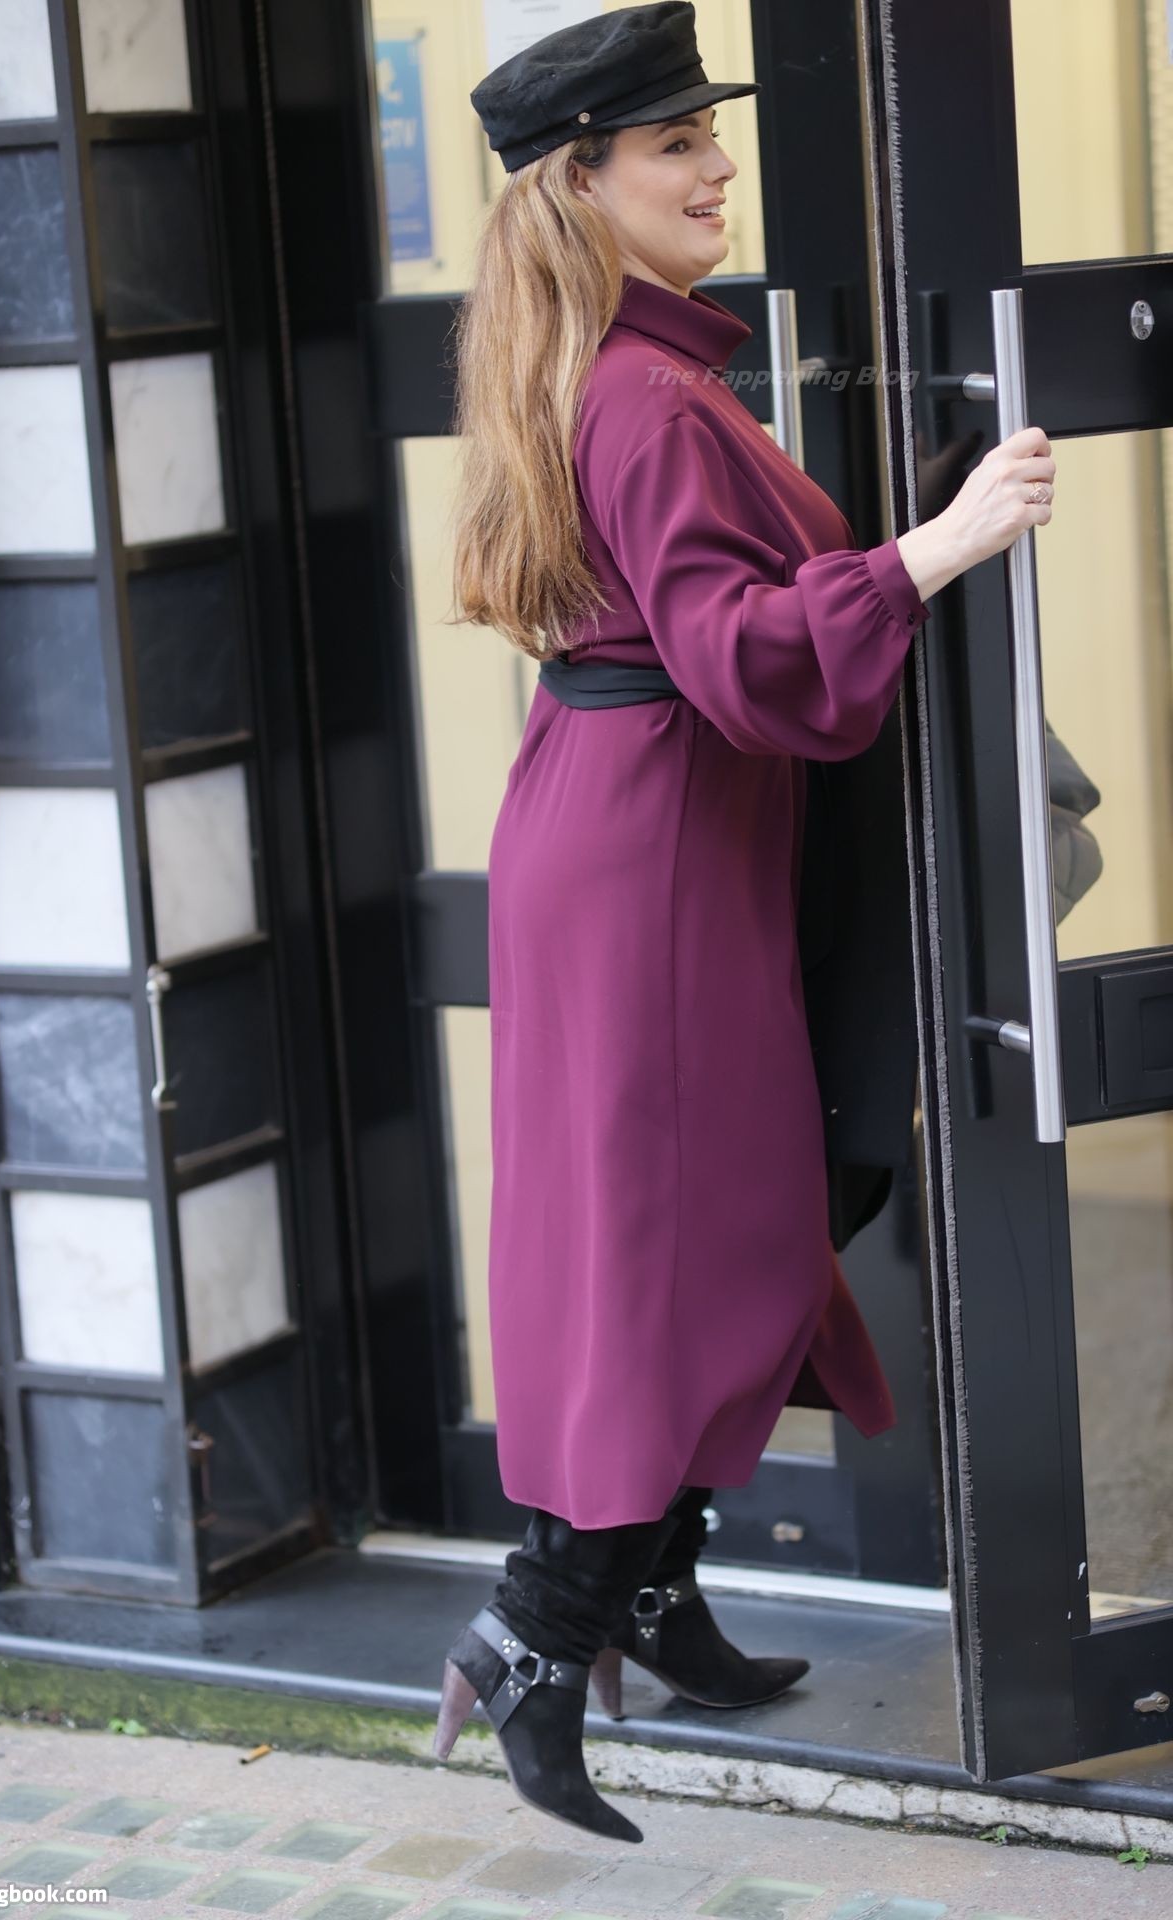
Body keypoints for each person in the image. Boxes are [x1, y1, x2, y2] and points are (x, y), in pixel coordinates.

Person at [431, 1, 1056, 1844]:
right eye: (677, 145)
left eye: (712, 135)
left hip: (631, 831)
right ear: (583, 184)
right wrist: (939, 546)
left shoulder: (611, 365)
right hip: (655, 854)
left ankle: (651, 1589)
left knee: (695, 1219)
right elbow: (743, 658)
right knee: (675, 1241)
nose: (719, 169)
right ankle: (541, 1633)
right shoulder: (643, 396)